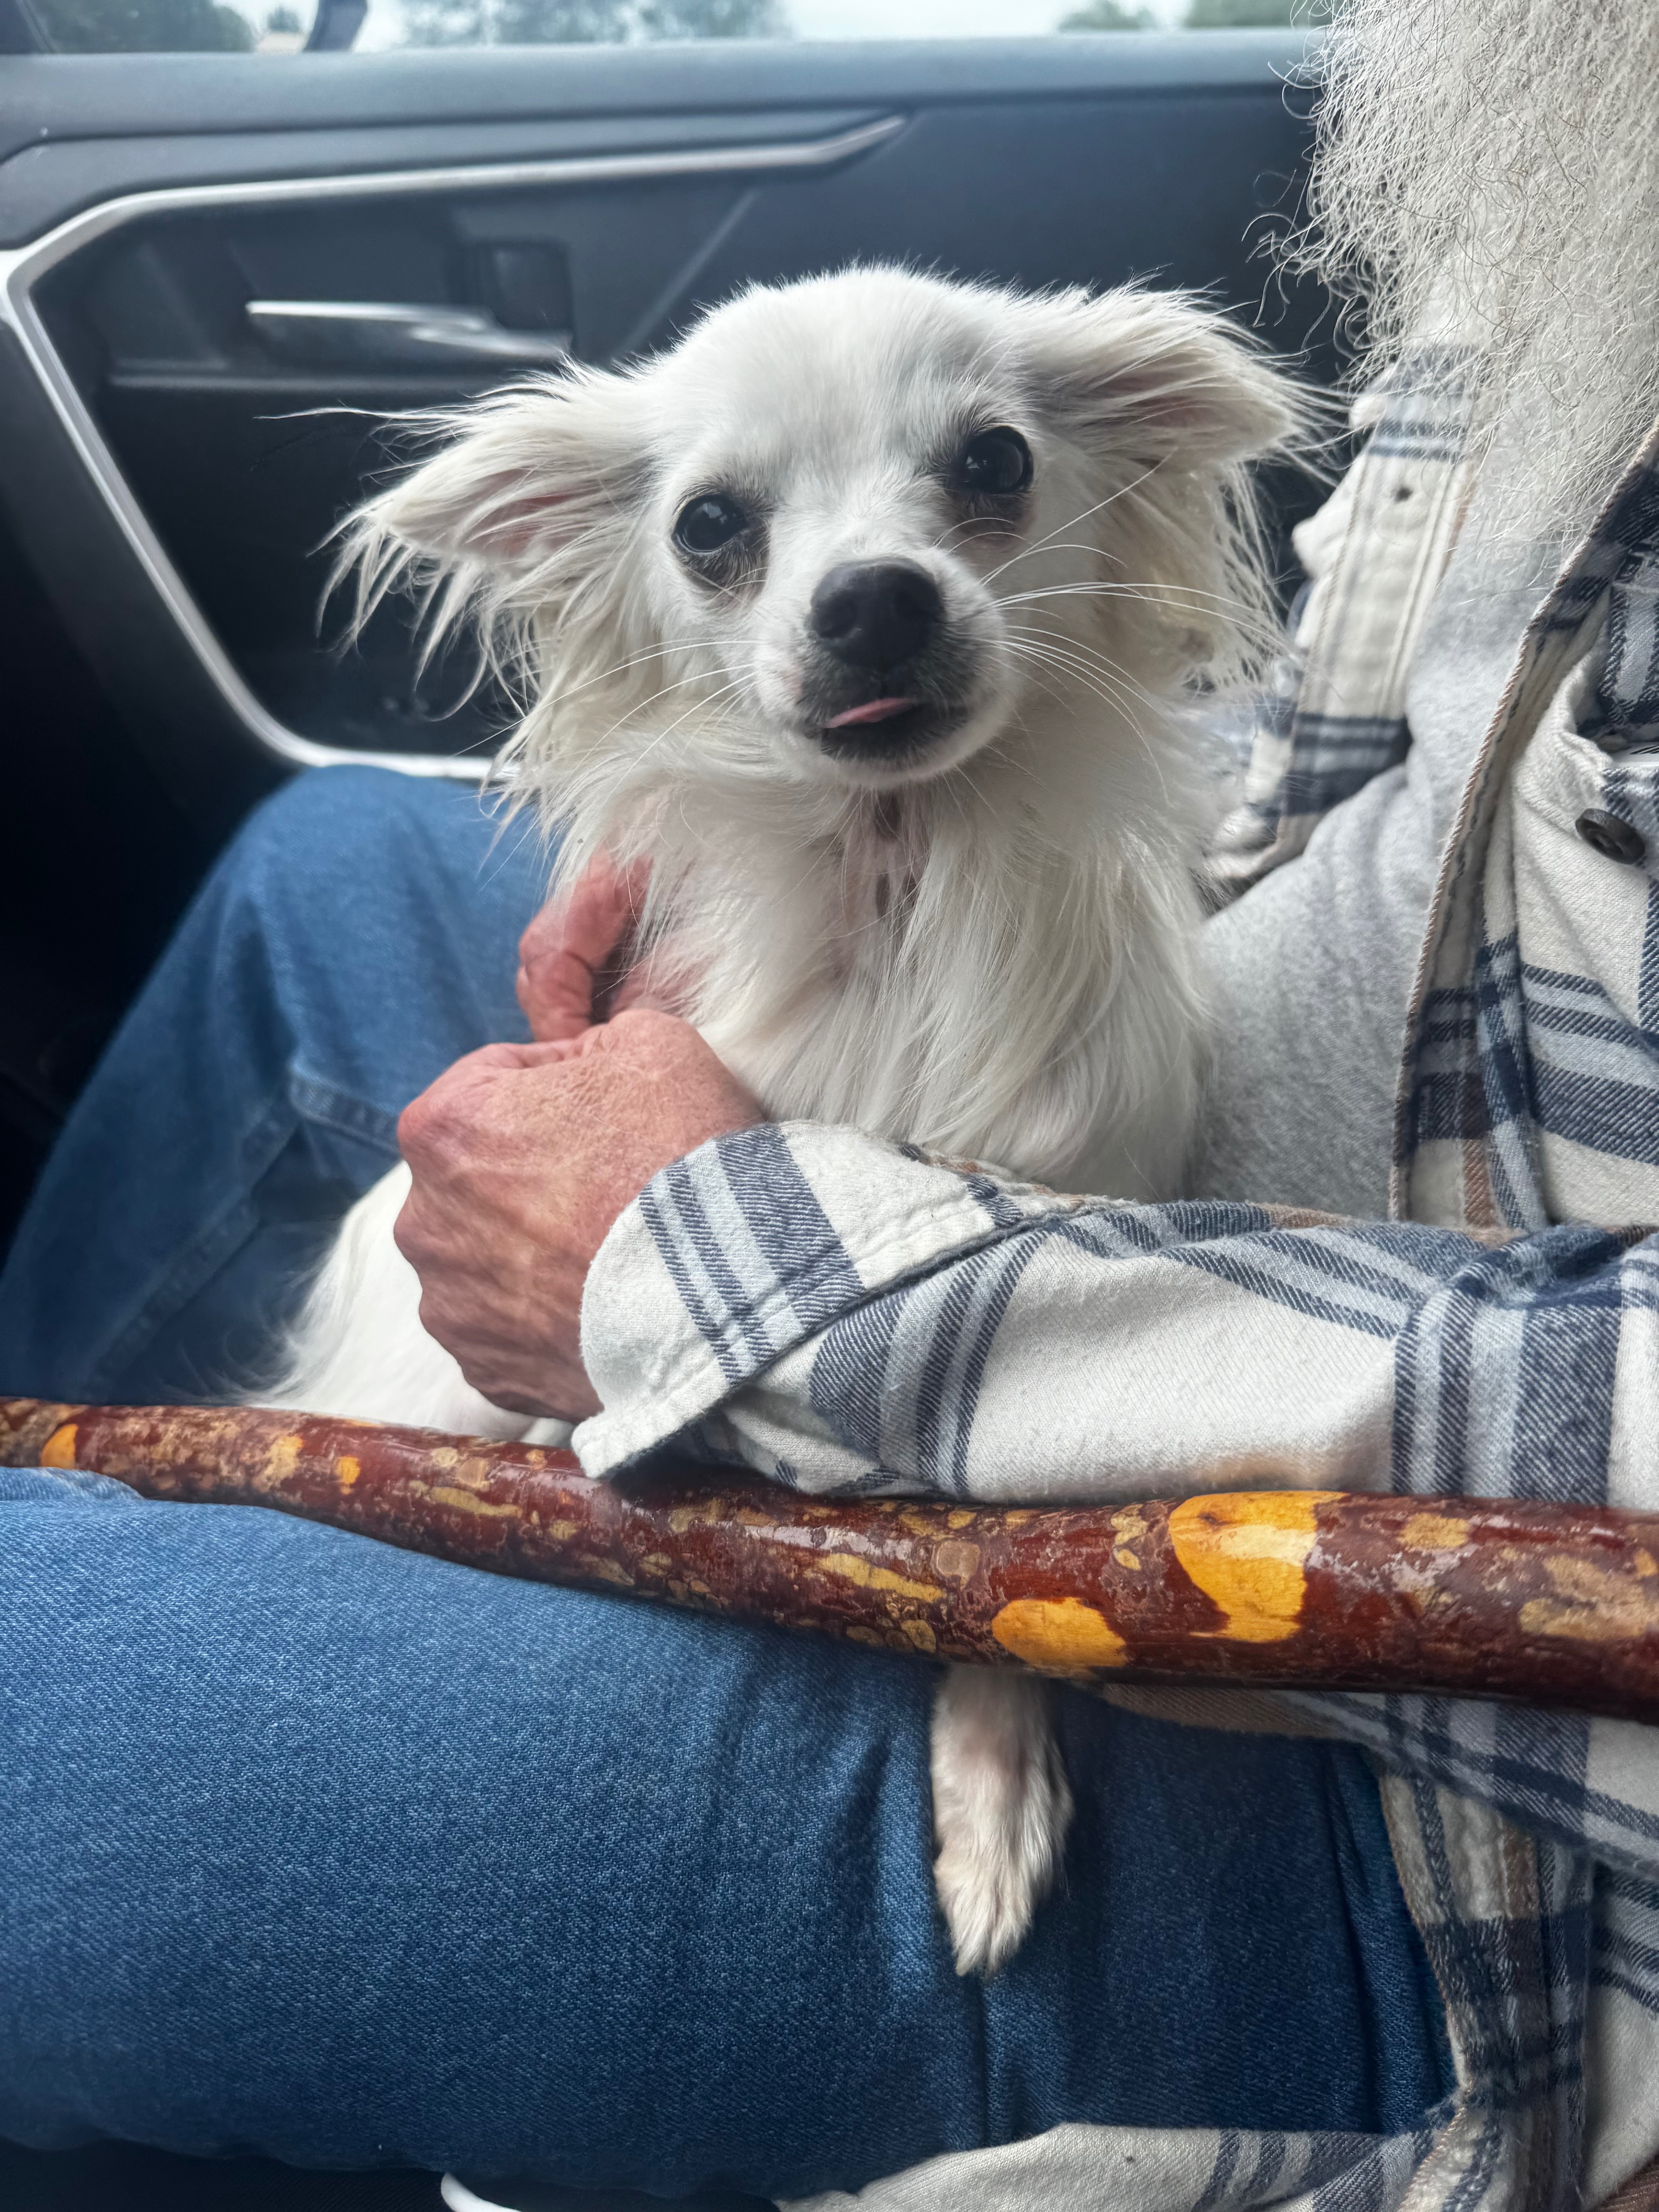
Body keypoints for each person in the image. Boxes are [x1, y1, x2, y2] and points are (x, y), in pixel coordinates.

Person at [2, 2, 1658, 2209]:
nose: (873, 578)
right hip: (1245, 1066)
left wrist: (723, 1265)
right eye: (722, 537)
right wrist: (698, 850)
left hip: (1451, 1808)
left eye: (979, 474)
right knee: (320, 871)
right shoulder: (1581, 219)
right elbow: (1332, 742)